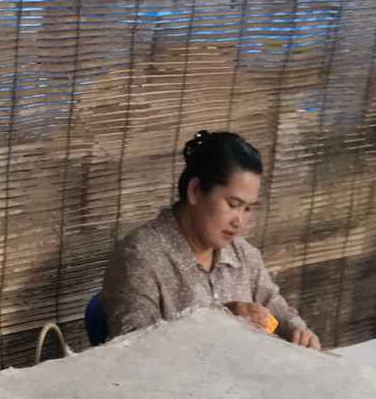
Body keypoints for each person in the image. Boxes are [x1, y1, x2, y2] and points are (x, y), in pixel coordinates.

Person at [101, 131, 321, 349]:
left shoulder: (242, 255)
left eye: (247, 209)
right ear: (195, 191)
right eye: (233, 205)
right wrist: (217, 324)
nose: (239, 221)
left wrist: (296, 330)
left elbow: (273, 305)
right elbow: (137, 349)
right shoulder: (141, 257)